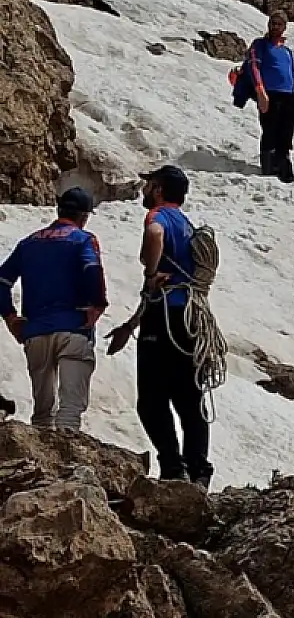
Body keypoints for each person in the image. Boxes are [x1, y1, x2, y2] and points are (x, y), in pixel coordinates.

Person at [104, 165, 215, 488]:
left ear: (158, 189)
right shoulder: (186, 223)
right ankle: (198, 470)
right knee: (189, 396)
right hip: (189, 319)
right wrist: (130, 325)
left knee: (152, 401)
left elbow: (154, 236)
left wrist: (151, 272)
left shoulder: (159, 217)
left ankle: (172, 466)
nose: (144, 189)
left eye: (149, 184)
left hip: (163, 317)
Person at [0, 187, 107, 431]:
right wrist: (97, 305)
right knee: (70, 409)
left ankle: (40, 461)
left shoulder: (29, 243)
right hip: (74, 328)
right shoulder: (84, 240)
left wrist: (10, 317)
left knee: (42, 413)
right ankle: (67, 463)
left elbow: (1, 282)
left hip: (35, 331)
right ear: (84, 216)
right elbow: (92, 270)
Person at [247, 11, 294, 183]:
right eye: (272, 23)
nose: (275, 27)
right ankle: (269, 164)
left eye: (279, 24)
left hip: (288, 94)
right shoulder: (260, 45)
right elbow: (254, 68)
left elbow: (292, 73)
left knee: (286, 130)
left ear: (284, 27)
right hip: (269, 93)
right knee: (270, 128)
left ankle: (283, 162)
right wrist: (260, 91)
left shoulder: (287, 52)